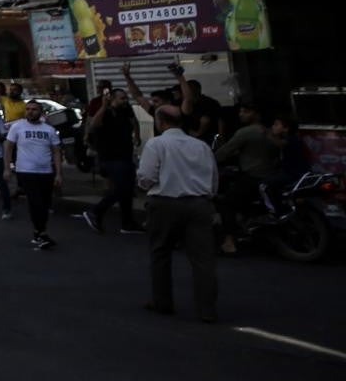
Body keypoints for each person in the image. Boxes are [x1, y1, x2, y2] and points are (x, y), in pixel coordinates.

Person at [138, 105, 220, 322]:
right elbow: (213, 178)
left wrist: (148, 187)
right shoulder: (201, 146)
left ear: (160, 122)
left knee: (160, 253)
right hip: (199, 203)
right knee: (203, 259)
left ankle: (162, 301)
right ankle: (207, 309)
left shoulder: (157, 144)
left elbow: (146, 176)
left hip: (165, 202)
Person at [215, 102, 286, 256]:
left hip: (253, 177)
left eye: (246, 111)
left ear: (256, 114)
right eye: (241, 111)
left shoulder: (246, 132)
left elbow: (224, 152)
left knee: (226, 203)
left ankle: (229, 242)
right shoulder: (270, 131)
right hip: (271, 176)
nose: (241, 114)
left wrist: (210, 158)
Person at [5, 101, 62, 249]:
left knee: (45, 204)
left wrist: (58, 174)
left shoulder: (49, 130)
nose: (30, 112)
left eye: (34, 109)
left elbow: (56, 152)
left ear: (41, 112)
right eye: (28, 109)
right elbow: (8, 148)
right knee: (35, 203)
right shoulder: (17, 127)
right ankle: (41, 233)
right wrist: (7, 168)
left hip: (46, 171)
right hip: (26, 171)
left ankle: (39, 231)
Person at [85, 88, 142, 235]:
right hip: (111, 157)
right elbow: (94, 125)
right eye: (122, 98)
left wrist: (137, 136)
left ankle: (127, 222)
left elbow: (134, 122)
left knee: (128, 190)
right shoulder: (106, 112)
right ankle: (96, 211)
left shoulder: (126, 110)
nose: (125, 101)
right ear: (113, 99)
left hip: (125, 155)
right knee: (121, 188)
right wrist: (104, 106)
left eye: (126, 98)